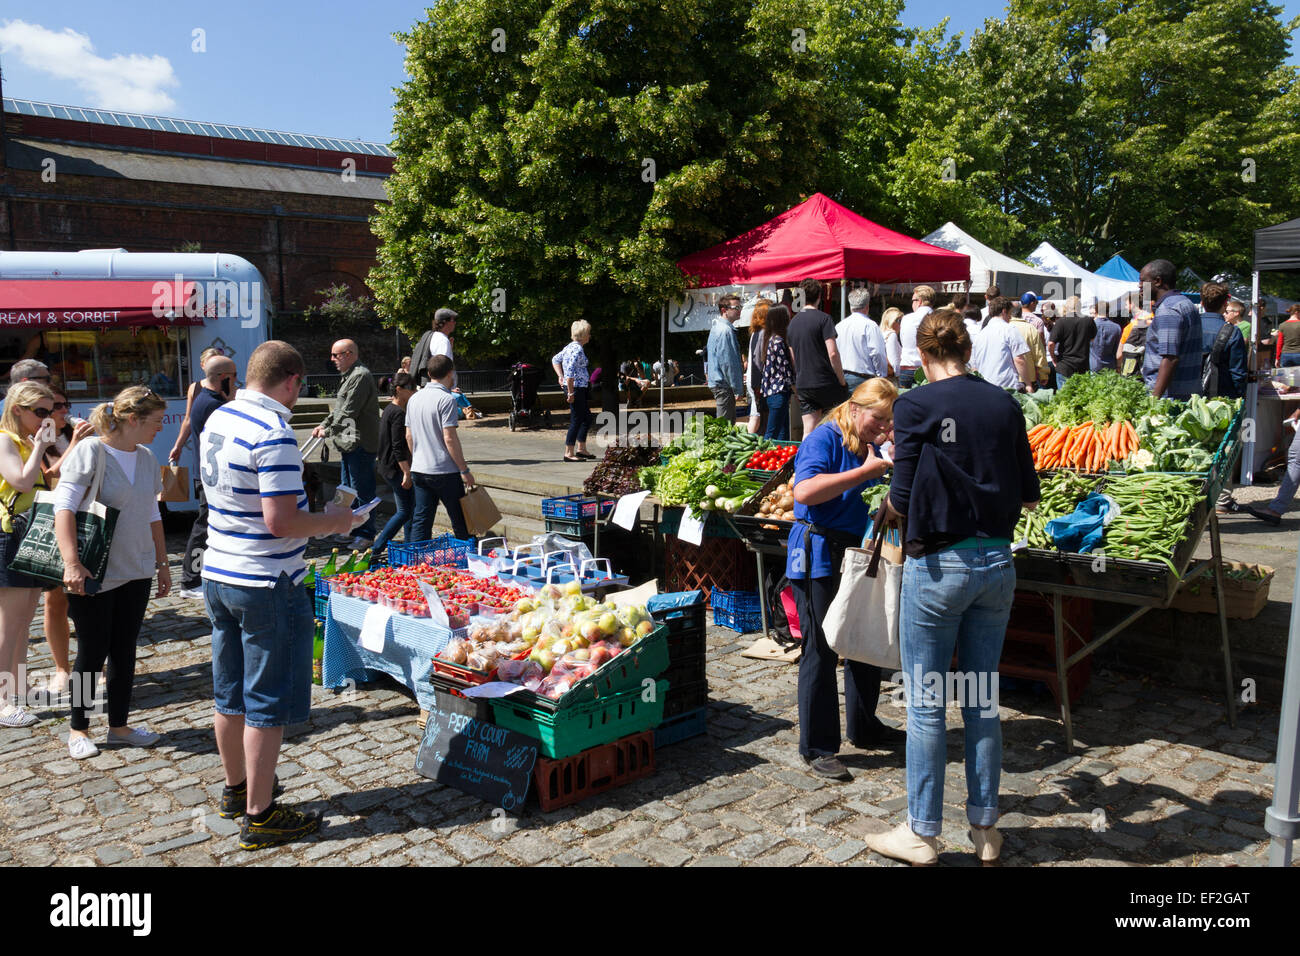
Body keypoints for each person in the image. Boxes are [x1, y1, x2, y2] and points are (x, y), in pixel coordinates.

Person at [863, 309, 1040, 866]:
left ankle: (922, 833)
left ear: (921, 352)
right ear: (966, 347)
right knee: (983, 700)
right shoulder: (1004, 403)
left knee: (927, 704)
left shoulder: (915, 404)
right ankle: (985, 829)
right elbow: (1029, 491)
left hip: (939, 567)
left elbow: (904, 491)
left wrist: (890, 503)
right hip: (996, 563)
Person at [202, 341, 360, 848]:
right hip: (266, 581)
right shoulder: (274, 433)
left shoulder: (220, 418)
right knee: (265, 702)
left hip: (219, 571)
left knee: (228, 694)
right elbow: (282, 522)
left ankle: (236, 789)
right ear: (291, 382)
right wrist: (336, 521)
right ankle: (261, 814)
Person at [787, 378, 902, 781]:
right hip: (818, 553)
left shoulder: (868, 442)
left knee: (863, 637)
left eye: (889, 420)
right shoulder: (824, 437)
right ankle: (817, 747)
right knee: (821, 648)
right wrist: (865, 473)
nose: (884, 427)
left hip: (859, 550)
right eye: (879, 418)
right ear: (855, 409)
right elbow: (804, 492)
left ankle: (865, 725)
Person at [56, 386, 172, 759]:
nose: (159, 428)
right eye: (155, 422)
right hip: (94, 570)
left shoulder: (147, 457)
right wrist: (72, 562)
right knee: (92, 651)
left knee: (124, 649)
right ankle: (79, 728)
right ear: (133, 420)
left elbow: (153, 513)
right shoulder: (92, 450)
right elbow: (64, 508)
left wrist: (163, 562)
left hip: (136, 568)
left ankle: (119, 726)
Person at [0, 382, 57, 728]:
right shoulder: (6, 439)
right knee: (9, 625)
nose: (45, 418)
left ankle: (17, 690)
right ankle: (3, 701)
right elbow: (20, 480)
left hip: (32, 533)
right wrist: (40, 448)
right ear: (17, 409)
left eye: (48, 411)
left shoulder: (25, 441)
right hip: (11, 534)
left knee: (23, 622)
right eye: (39, 411)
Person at [36, 387, 94, 698]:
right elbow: (47, 477)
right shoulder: (38, 440)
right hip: (53, 525)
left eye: (63, 405)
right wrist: (75, 444)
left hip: (86, 523)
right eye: (53, 407)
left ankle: (93, 666)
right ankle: (61, 668)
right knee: (55, 601)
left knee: (91, 600)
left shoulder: (75, 431)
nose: (61, 411)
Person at [177, 356, 237, 600]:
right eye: (234, 378)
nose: (237, 383)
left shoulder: (207, 399)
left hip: (207, 475)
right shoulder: (215, 404)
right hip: (211, 478)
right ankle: (190, 580)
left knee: (207, 526)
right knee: (203, 527)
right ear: (224, 379)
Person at [312, 339, 380, 547]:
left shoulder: (360, 376)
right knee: (347, 491)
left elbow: (349, 411)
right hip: (348, 442)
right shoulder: (349, 376)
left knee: (362, 489)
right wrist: (323, 424)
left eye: (336, 355)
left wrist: (329, 431)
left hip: (359, 443)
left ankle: (366, 534)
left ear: (349, 354)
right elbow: (339, 410)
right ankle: (350, 528)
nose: (332, 359)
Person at [407, 354, 475, 541]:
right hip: (444, 469)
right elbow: (450, 438)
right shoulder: (447, 400)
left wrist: (418, 457)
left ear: (429, 373)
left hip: (419, 468)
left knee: (422, 519)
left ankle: (417, 561)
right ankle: (469, 559)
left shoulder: (414, 399)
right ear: (450, 373)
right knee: (460, 518)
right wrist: (464, 469)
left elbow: (409, 435)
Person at [789, 279, 848, 435]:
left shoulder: (793, 323)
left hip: (804, 383)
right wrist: (842, 382)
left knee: (808, 429)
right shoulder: (824, 319)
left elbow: (792, 358)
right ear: (819, 296)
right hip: (825, 381)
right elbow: (833, 353)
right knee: (838, 426)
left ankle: (803, 459)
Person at [1141, 259, 1203, 400]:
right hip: (1188, 392)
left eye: (1142, 281)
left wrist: (1154, 400)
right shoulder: (1186, 303)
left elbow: (1170, 358)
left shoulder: (1168, 310)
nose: (1139, 286)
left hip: (1170, 397)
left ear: (1157, 281)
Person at [373, 371, 416, 557]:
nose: (414, 391)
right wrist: (406, 471)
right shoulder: (398, 413)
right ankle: (377, 547)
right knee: (405, 511)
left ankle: (410, 546)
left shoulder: (389, 409)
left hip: (387, 466)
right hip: (395, 468)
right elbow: (398, 446)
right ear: (399, 389)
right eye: (411, 388)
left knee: (408, 508)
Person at [169, 347, 225, 466]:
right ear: (202, 365)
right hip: (201, 448)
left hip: (223, 446)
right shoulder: (194, 388)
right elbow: (188, 420)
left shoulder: (229, 387)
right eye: (210, 364)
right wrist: (178, 446)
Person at [552, 321, 594, 461]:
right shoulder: (576, 349)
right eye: (588, 333)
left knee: (586, 417)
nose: (590, 335)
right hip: (575, 388)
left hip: (578, 387)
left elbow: (555, 360)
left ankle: (581, 449)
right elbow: (570, 372)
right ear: (583, 335)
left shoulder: (569, 347)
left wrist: (560, 376)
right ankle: (569, 453)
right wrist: (570, 392)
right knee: (577, 419)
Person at [970, 299, 1033, 392]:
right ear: (1004, 311)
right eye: (1010, 313)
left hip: (984, 386)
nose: (1010, 317)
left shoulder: (981, 334)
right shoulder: (1010, 329)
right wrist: (1028, 384)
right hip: (1006, 385)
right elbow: (1019, 360)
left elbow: (974, 366)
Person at [1199, 282, 1248, 401]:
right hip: (1222, 397)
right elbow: (1238, 372)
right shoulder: (1233, 332)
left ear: (1202, 303)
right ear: (1225, 304)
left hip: (1188, 394)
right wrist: (1239, 397)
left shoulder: (1188, 326)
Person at [836, 288, 889, 390]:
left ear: (851, 307)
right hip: (863, 378)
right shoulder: (871, 326)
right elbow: (877, 352)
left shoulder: (839, 326)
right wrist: (881, 375)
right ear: (867, 306)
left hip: (842, 376)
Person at [760, 305, 797, 441]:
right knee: (772, 434)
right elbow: (785, 371)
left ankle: (780, 459)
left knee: (782, 433)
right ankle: (760, 457)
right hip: (779, 393)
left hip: (772, 392)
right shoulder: (779, 341)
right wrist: (796, 390)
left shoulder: (770, 339)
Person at [705, 296, 745, 423]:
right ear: (724, 310)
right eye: (736, 307)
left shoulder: (718, 327)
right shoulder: (725, 331)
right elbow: (728, 363)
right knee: (724, 427)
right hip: (724, 385)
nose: (740, 310)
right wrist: (737, 388)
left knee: (726, 425)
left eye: (740, 307)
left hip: (721, 384)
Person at [1048, 296, 1097, 388]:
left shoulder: (1061, 322)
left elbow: (1051, 344)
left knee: (1064, 400)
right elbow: (1092, 339)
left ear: (1066, 307)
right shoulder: (1088, 321)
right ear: (1079, 306)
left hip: (1064, 366)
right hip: (1083, 366)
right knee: (1081, 398)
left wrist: (1054, 359)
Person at [898, 285, 935, 389]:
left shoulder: (906, 319)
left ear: (919, 301)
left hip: (907, 368)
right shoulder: (937, 318)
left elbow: (903, 341)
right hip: (930, 369)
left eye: (913, 301)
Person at [410, 308, 457, 388]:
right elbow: (441, 368)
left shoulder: (433, 337)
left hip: (430, 387)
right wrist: (449, 389)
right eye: (453, 320)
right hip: (440, 388)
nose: (455, 323)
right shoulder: (442, 340)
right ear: (445, 322)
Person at [744, 298, 771, 435]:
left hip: (753, 379)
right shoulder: (763, 333)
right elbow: (759, 360)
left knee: (756, 414)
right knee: (757, 415)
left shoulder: (755, 332)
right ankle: (749, 444)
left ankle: (749, 443)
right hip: (758, 380)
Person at [1008, 305, 1051, 389]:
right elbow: (1039, 354)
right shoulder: (1031, 328)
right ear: (1021, 313)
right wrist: (1043, 375)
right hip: (1028, 378)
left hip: (1007, 378)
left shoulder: (1005, 327)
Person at [1091, 305, 1122, 373]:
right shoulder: (1116, 327)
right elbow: (1118, 349)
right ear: (1108, 311)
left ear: (1096, 311)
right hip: (1110, 365)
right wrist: (1118, 366)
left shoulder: (1091, 325)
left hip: (1093, 365)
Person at [880, 307, 903, 380]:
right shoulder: (891, 335)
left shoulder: (881, 334)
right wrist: (898, 377)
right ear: (891, 321)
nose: (901, 324)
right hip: (892, 378)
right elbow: (894, 361)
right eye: (899, 320)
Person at [1274, 304, 1300, 368]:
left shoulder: (1282, 325)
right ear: (1296, 312)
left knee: (1286, 377)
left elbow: (1279, 343)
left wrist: (1277, 358)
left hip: (1285, 355)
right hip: (1298, 354)